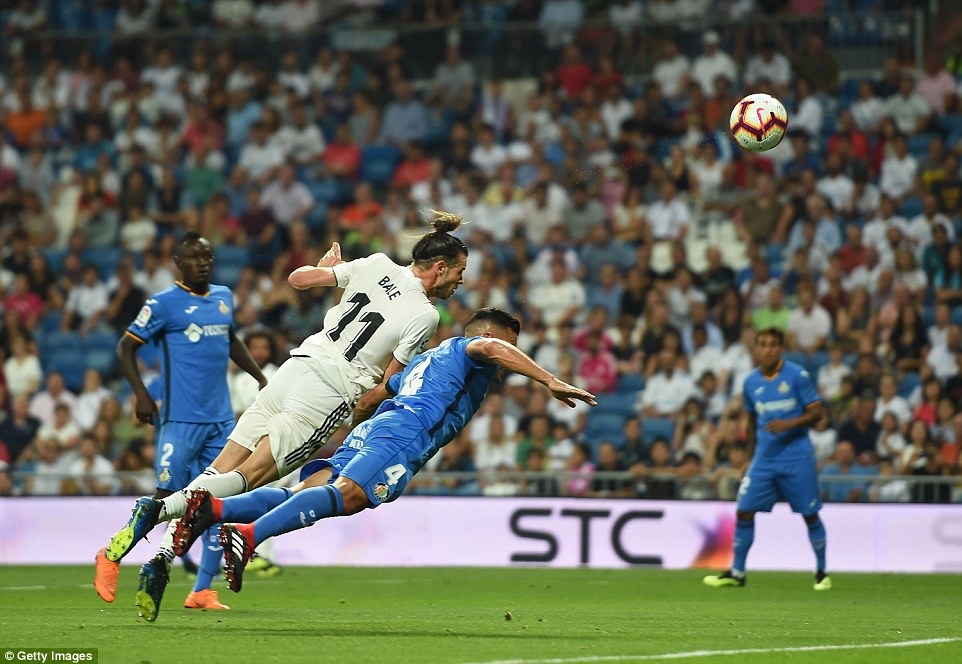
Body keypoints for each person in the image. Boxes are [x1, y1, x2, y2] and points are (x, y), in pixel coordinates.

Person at [99, 211, 469, 621]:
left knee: (221, 466)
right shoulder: (426, 315)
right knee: (251, 476)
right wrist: (364, 416)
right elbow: (386, 383)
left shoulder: (377, 263)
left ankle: (163, 557)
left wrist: (323, 268)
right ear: (439, 268)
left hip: (295, 366)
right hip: (329, 390)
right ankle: (157, 509)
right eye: (460, 271)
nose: (462, 280)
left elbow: (298, 280)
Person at [170, 308, 596, 593]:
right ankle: (249, 535)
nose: (511, 353)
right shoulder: (473, 350)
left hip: (379, 427)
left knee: (315, 488)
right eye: (511, 343)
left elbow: (373, 396)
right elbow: (490, 347)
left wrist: (357, 434)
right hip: (407, 432)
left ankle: (215, 509)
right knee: (352, 496)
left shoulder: (426, 360)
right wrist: (549, 380)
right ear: (489, 336)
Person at [94, 232, 269, 616]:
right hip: (180, 420)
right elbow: (125, 348)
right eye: (195, 257)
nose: (204, 262)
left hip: (222, 422)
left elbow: (231, 339)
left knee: (218, 505)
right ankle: (109, 555)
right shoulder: (162, 305)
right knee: (163, 499)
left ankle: (202, 590)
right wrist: (141, 394)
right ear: (178, 262)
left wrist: (259, 376)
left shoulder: (223, 297)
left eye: (208, 256)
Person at [703, 327, 830, 591]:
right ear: (756, 349)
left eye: (773, 345)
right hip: (764, 459)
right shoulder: (750, 382)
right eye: (762, 345)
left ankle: (821, 572)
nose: (767, 349)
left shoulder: (798, 376)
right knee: (744, 510)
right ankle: (737, 572)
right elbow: (751, 422)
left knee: (809, 514)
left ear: (781, 348)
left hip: (797, 457)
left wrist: (790, 423)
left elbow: (817, 413)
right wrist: (748, 457)